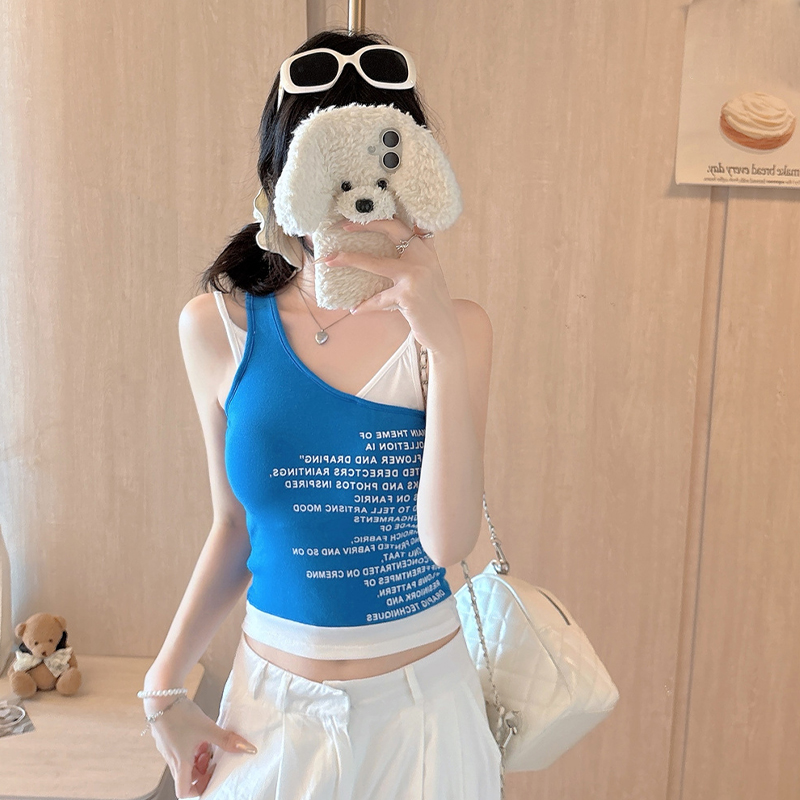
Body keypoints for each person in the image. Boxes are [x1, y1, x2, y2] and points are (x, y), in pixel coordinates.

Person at [140, 26, 497, 800]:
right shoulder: (218, 327)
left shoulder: (458, 331)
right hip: (270, 713)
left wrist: (438, 339)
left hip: (423, 716)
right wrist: (163, 689)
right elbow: (235, 529)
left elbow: (448, 543)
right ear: (283, 178)